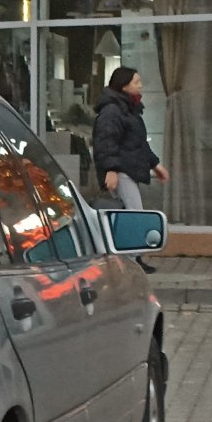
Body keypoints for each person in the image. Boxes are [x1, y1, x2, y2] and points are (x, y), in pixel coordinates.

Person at [93, 66, 170, 273]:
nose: (140, 85)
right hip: (121, 172)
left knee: (131, 213)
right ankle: (128, 261)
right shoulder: (112, 111)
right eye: (136, 82)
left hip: (126, 169)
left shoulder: (128, 109)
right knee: (134, 214)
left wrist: (155, 164)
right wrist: (111, 170)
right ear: (124, 86)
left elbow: (138, 143)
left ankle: (132, 259)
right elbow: (106, 141)